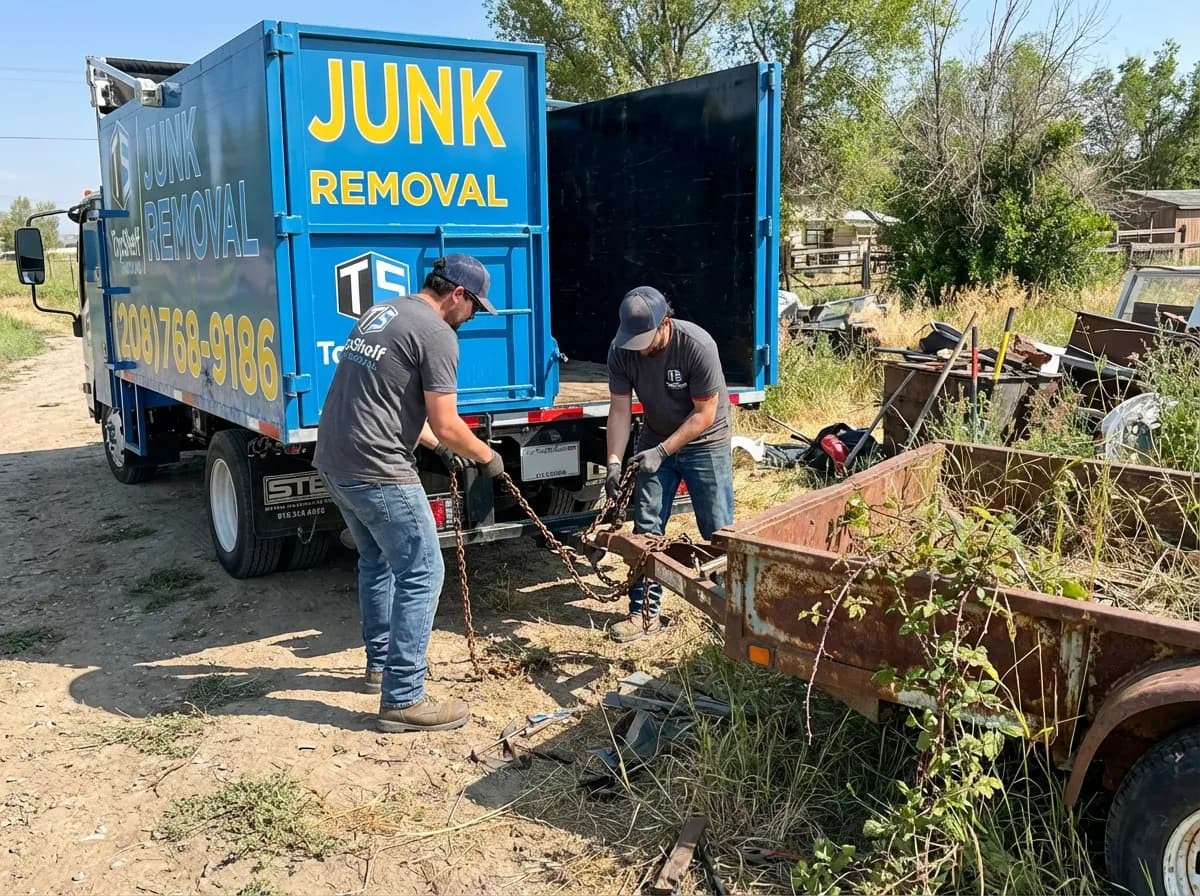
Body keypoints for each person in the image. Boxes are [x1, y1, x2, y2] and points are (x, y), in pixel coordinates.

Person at [314, 254, 504, 733]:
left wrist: (439, 448)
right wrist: (486, 457)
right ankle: (403, 697)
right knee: (422, 570)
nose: (475, 315)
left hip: (335, 459)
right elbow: (447, 420)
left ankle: (380, 667)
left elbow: (387, 402)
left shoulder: (384, 313)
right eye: (475, 305)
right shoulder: (437, 333)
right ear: (457, 294)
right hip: (378, 468)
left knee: (377, 561)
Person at [604, 286, 734, 642]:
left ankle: (729, 614)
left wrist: (663, 452)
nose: (639, 348)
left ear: (665, 323)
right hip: (654, 437)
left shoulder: (697, 346)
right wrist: (614, 462)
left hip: (706, 442)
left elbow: (705, 414)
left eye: (645, 339)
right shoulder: (622, 351)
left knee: (718, 529)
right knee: (646, 529)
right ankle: (644, 613)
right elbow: (619, 411)